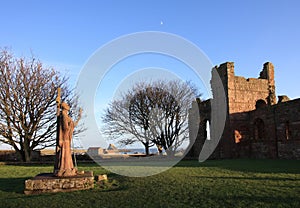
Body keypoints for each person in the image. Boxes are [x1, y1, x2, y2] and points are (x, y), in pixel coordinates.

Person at [55, 102, 81, 177]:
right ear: (64, 107)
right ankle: (65, 169)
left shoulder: (65, 115)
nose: (68, 106)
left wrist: (79, 117)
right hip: (65, 139)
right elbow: (65, 128)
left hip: (66, 139)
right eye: (67, 105)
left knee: (66, 154)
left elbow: (72, 125)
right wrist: (70, 125)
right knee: (65, 154)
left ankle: (68, 168)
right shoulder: (64, 115)